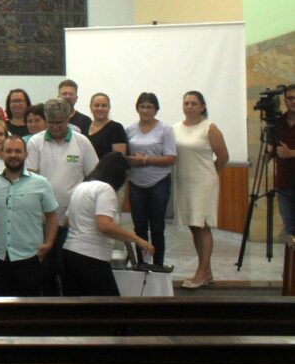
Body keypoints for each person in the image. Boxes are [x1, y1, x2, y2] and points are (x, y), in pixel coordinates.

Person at [26, 98, 98, 294]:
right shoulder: (36, 142)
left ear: (68, 119)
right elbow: (31, 177)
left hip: (72, 220)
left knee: (68, 269)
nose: (56, 127)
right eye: (51, 122)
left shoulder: (82, 142)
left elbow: (94, 176)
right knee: (45, 271)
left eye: (60, 122)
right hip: (42, 220)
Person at [63, 153, 154, 296]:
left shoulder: (82, 187)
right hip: (91, 256)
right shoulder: (105, 190)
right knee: (109, 307)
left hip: (69, 253)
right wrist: (138, 239)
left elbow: (66, 221)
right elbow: (104, 225)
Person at [0, 136, 58, 297]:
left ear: (25, 154)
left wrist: (49, 243)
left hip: (29, 257)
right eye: (8, 151)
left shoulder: (41, 183)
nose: (13, 155)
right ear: (2, 154)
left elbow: (52, 216)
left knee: (28, 311)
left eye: (18, 151)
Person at [173, 91, 229, 289]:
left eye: (193, 103)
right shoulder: (175, 128)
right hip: (183, 182)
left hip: (204, 183)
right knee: (193, 226)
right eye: (186, 103)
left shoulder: (209, 128)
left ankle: (202, 272)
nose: (189, 106)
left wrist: (208, 176)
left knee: (202, 226)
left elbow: (223, 157)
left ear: (202, 106)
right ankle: (207, 270)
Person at [125, 92, 177, 273]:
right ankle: (141, 263)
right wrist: (132, 160)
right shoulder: (129, 129)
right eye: (142, 106)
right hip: (135, 183)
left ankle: (158, 264)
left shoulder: (165, 129)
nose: (145, 110)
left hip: (159, 183)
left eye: (149, 107)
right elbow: (126, 157)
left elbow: (171, 158)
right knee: (139, 226)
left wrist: (146, 159)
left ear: (156, 109)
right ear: (137, 108)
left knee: (157, 226)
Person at [268, 86, 295, 240]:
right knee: (290, 231)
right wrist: (269, 151)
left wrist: (291, 153)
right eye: (290, 98)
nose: (293, 101)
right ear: (284, 100)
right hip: (284, 184)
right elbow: (270, 151)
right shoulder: (278, 123)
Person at [86, 92, 128, 160]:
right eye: (96, 105)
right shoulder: (85, 126)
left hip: (108, 170)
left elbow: (119, 159)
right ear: (91, 107)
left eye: (104, 105)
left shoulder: (116, 128)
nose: (100, 108)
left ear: (109, 108)